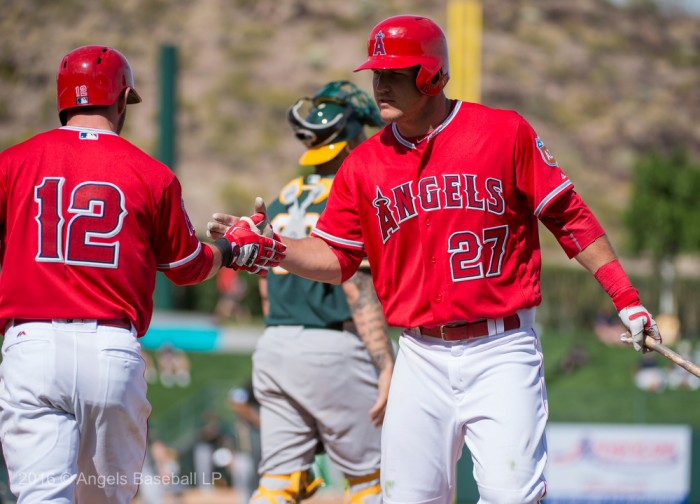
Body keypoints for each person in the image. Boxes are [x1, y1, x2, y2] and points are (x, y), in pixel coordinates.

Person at [209, 15, 663, 504]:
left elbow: (571, 219)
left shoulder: (503, 132)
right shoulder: (363, 164)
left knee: (513, 497)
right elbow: (336, 257)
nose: (380, 84)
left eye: (393, 73)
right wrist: (274, 247)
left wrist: (628, 299)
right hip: (419, 356)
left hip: (501, 349)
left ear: (430, 75)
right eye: (376, 73)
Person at [0, 45, 275, 504]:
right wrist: (232, 249)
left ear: (63, 99)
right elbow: (188, 268)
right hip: (111, 350)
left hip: (32, 346)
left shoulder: (13, 162)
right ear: (122, 98)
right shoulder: (151, 174)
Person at [249, 81, 394, 504]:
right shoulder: (350, 196)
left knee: (279, 485)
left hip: (275, 344)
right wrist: (385, 365)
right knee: (374, 484)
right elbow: (356, 285)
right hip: (333, 346)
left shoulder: (280, 198)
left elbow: (263, 281)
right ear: (351, 142)